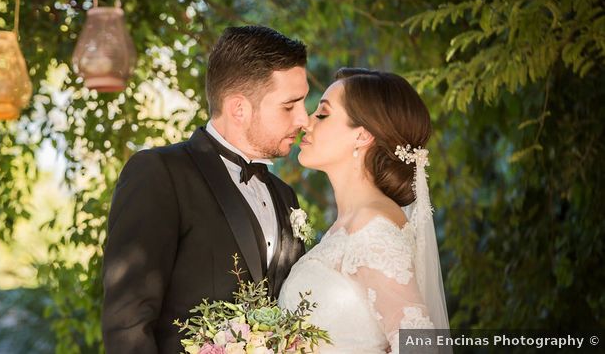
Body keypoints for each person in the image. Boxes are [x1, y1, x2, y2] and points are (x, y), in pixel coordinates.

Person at [102, 25, 310, 354]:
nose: (304, 119)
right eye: (290, 106)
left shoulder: (286, 197)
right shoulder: (159, 173)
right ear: (239, 108)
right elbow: (127, 321)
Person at [278, 68, 450, 354]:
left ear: (362, 136)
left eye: (322, 114)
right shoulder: (348, 226)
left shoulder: (373, 227)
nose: (306, 123)